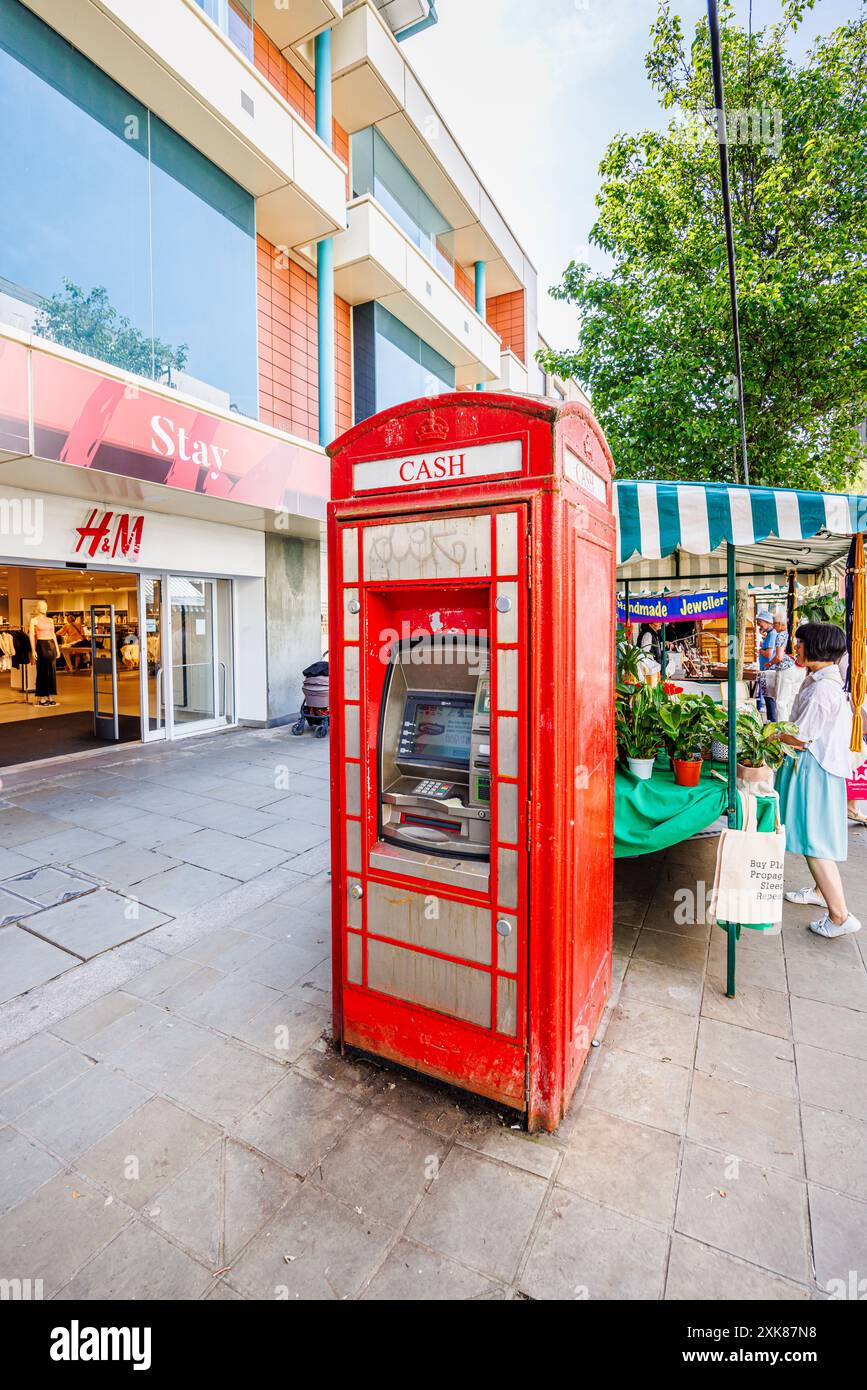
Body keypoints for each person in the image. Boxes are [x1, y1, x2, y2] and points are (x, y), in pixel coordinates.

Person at [778, 622, 861, 938]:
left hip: (815, 769)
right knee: (817, 837)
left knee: (815, 842)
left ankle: (840, 916)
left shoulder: (823, 690)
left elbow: (801, 737)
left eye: (800, 643)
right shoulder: (819, 680)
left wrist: (770, 733)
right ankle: (818, 891)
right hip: (817, 768)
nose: (795, 648)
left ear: (817, 647)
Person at [28, 600, 61, 707]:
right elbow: (32, 636)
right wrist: (33, 650)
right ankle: (42, 697)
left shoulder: (50, 620)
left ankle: (51, 695)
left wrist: (57, 648)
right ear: (38, 608)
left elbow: (53, 634)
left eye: (46, 606)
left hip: (51, 645)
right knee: (42, 671)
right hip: (41, 645)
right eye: (42, 606)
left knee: (52, 671)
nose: (45, 608)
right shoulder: (34, 620)